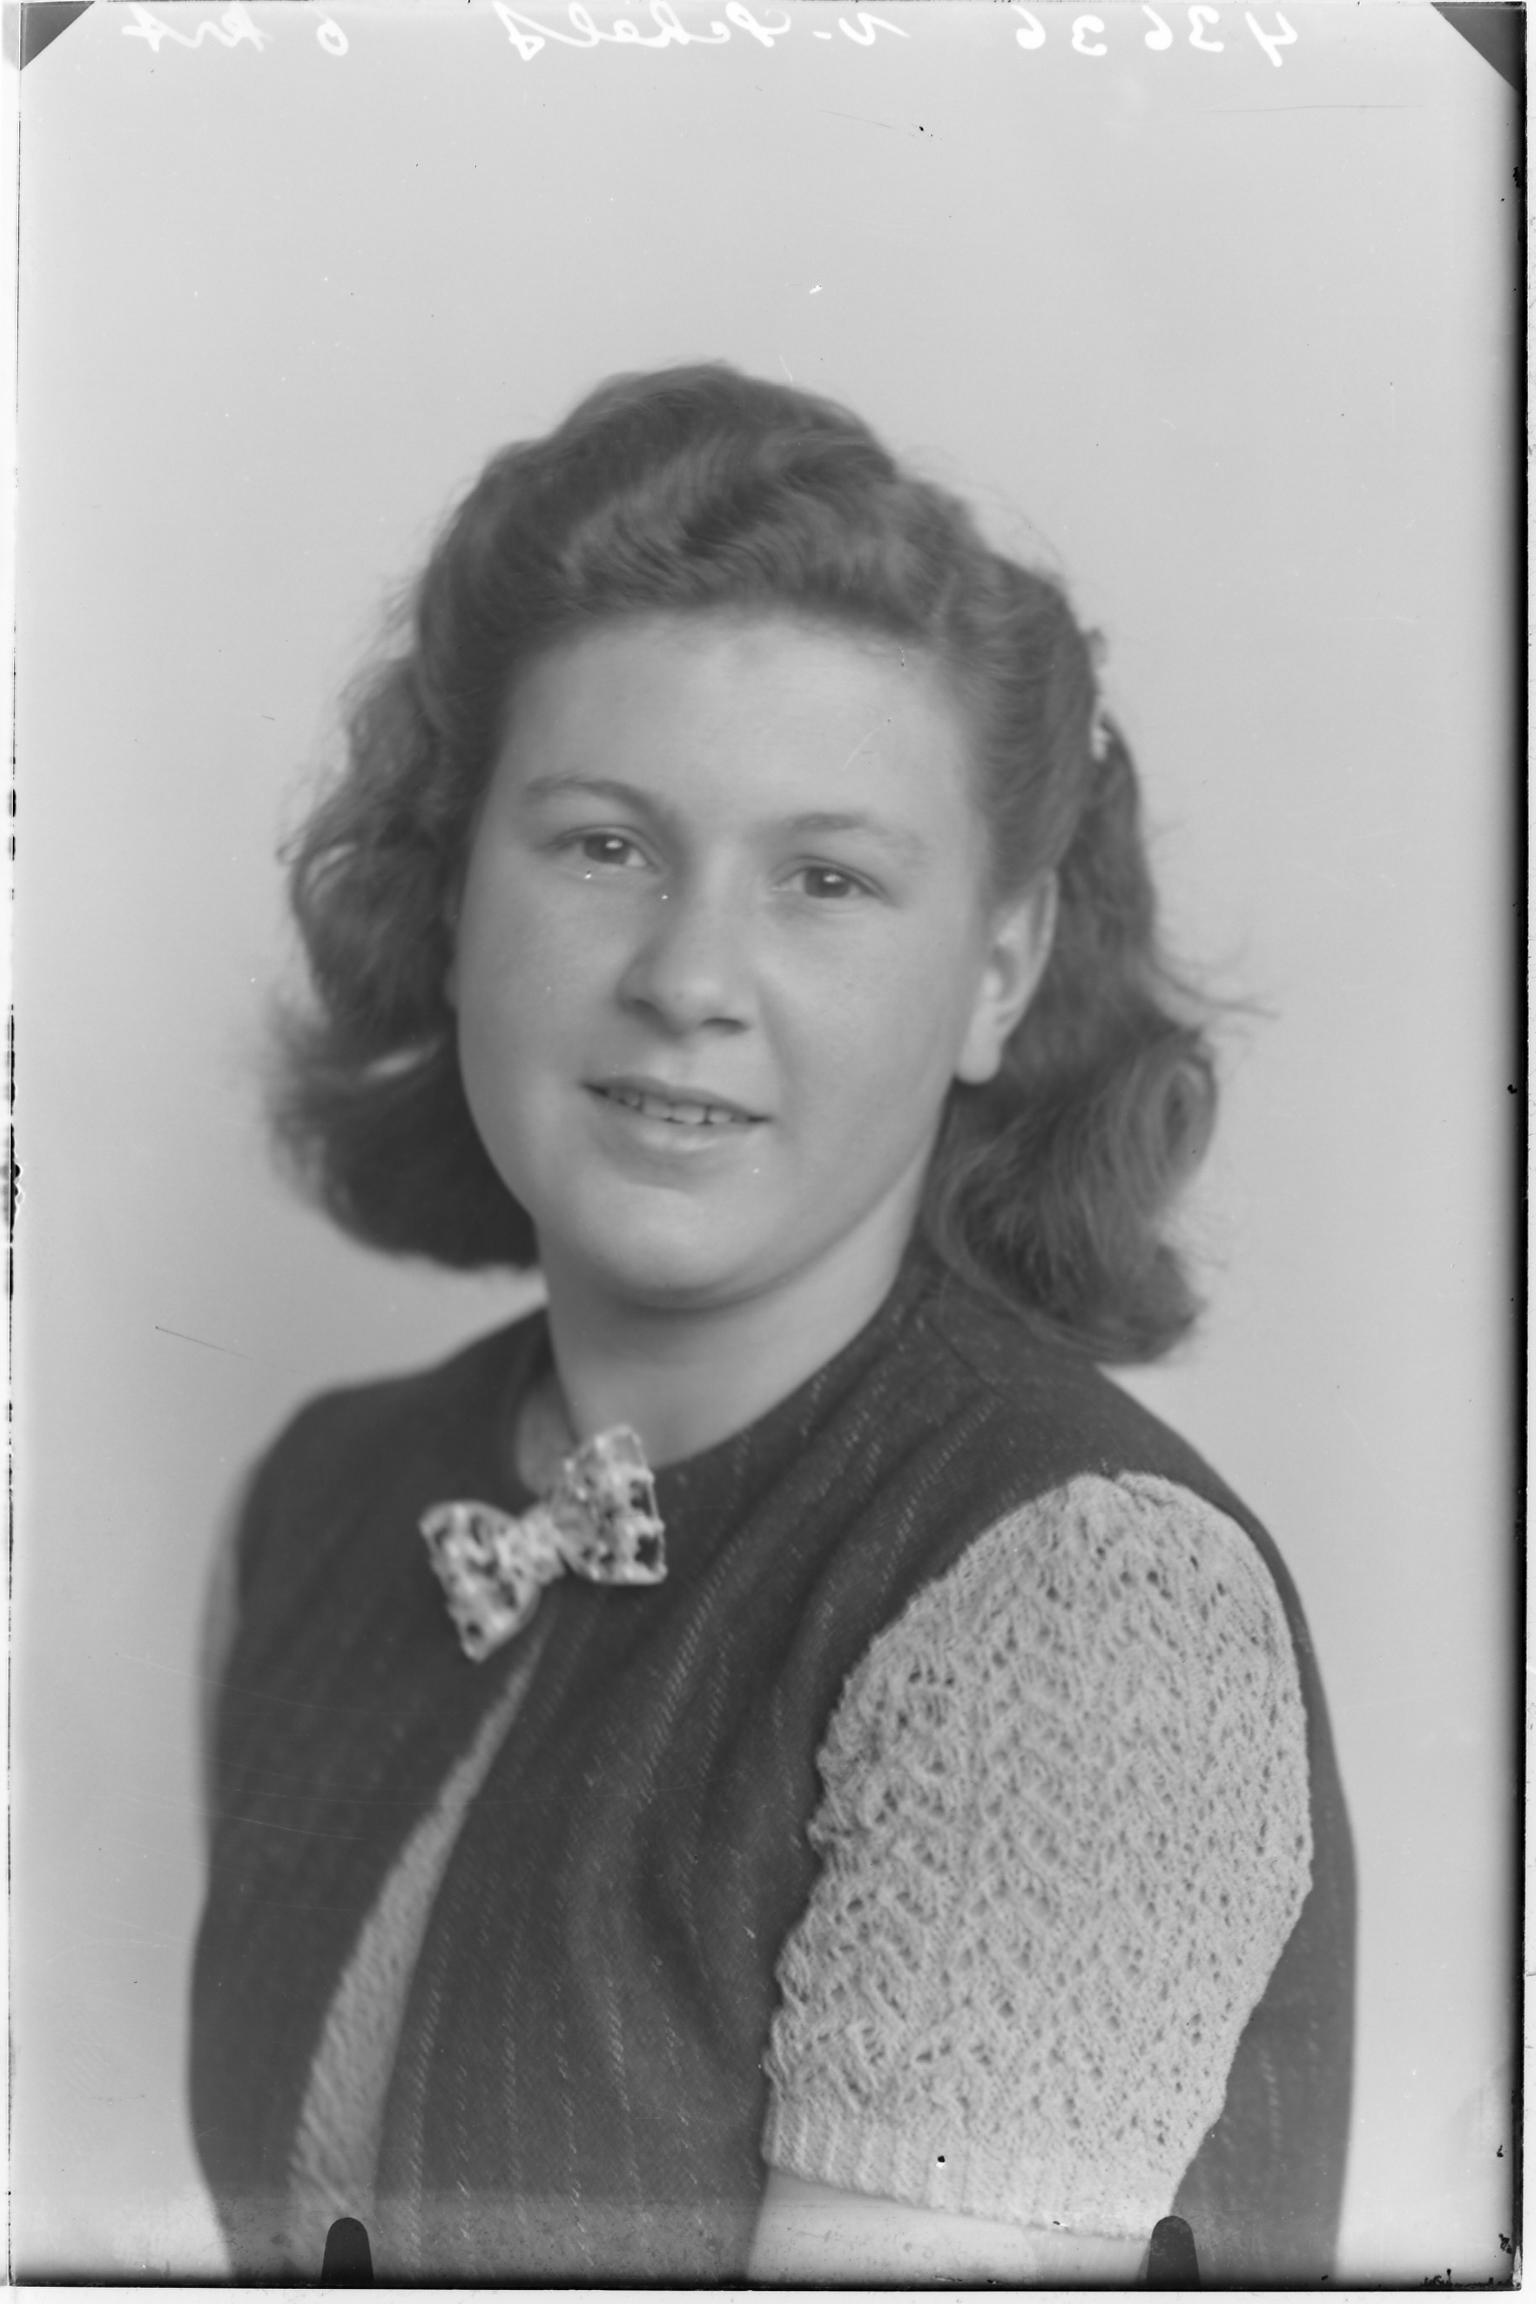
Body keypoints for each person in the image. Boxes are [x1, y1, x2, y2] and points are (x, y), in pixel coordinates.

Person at [189, 363, 1354, 2286]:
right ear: (454, 889)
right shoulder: (317, 1509)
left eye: (826, 878)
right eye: (604, 844)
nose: (690, 976)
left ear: (998, 972)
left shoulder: (1081, 1603)